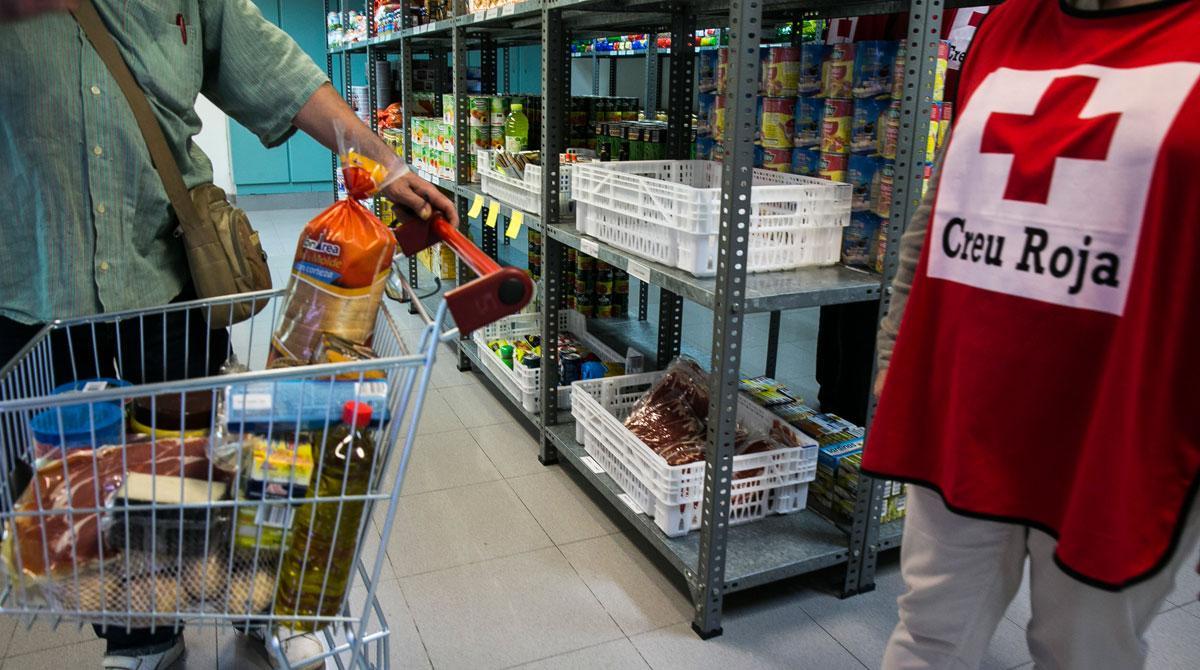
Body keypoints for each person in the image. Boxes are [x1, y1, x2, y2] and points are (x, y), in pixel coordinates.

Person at [0, 1, 456, 668]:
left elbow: (277, 72)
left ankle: (246, 595)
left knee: (194, 470)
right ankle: (139, 637)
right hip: (29, 288)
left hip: (166, 277)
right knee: (73, 486)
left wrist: (382, 163)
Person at [865, 0, 1200, 668]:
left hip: (1123, 423)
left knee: (1085, 649)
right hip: (964, 397)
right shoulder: (1005, 24)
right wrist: (895, 352)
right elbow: (943, 204)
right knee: (930, 629)